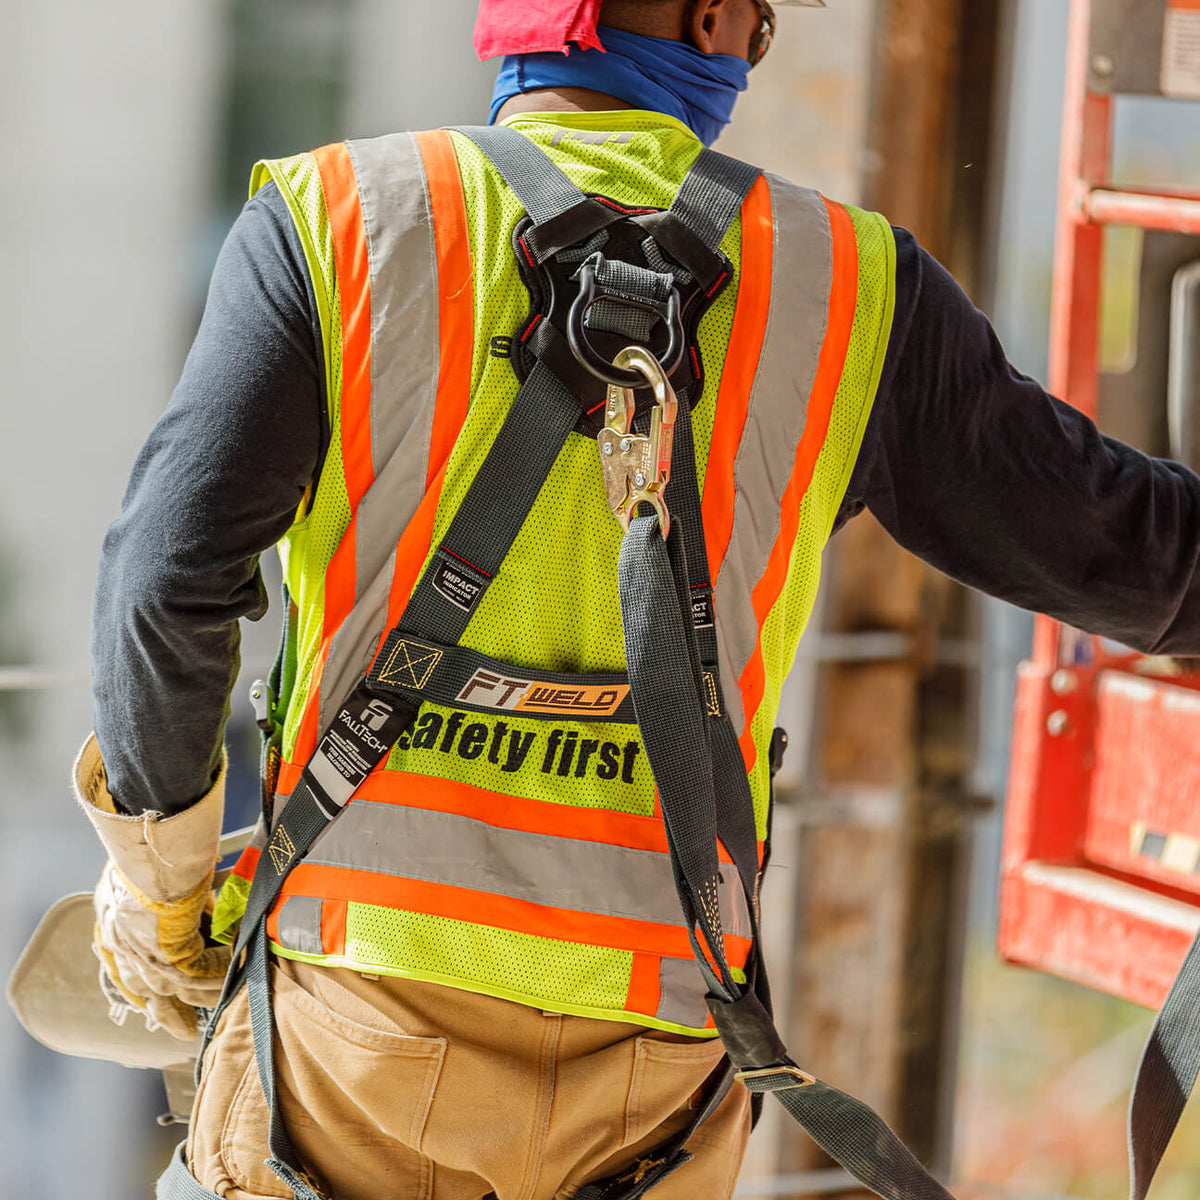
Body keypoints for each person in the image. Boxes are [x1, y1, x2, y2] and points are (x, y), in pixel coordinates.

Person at [75, 0, 1200, 1197]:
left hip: (358, 1027)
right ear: (713, 21)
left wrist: (164, 888)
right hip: (655, 1060)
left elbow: (164, 584)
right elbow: (1135, 558)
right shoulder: (850, 291)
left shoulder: (339, 223)